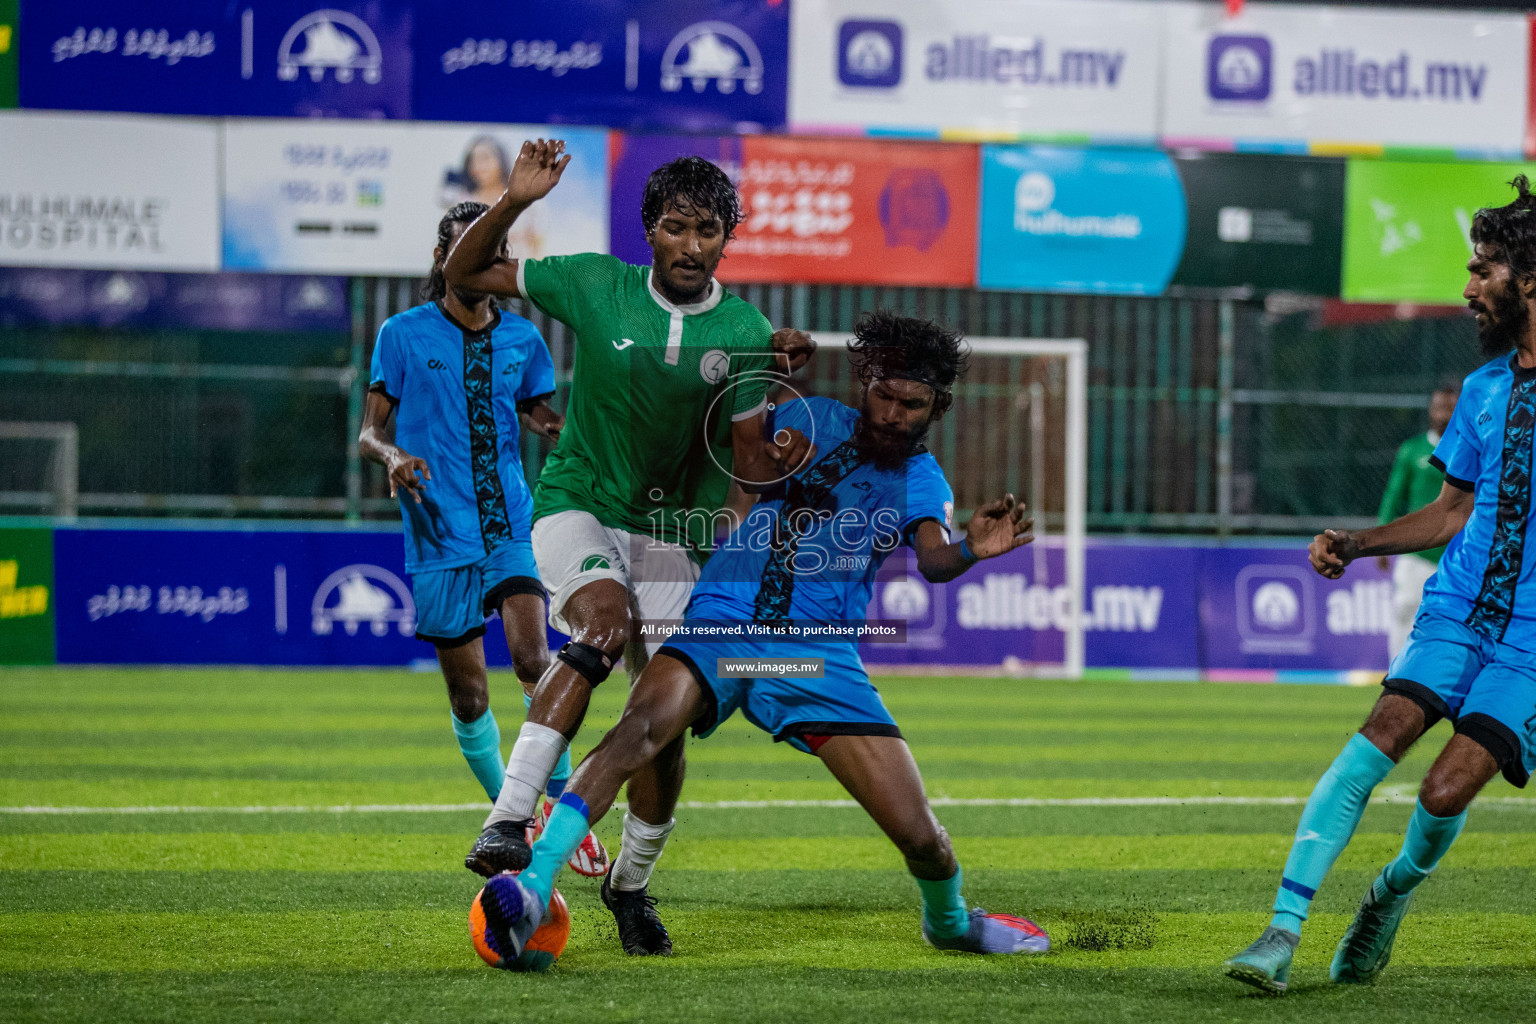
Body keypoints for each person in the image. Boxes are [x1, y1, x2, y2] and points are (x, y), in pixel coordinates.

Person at [468, 312, 1052, 965]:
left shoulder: (922, 481)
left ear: (935, 406)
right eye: (883, 394)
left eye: (910, 404)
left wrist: (974, 546)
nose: (892, 413)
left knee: (923, 840)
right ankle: (532, 883)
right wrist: (766, 398)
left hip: (815, 652)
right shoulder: (812, 417)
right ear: (865, 381)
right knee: (638, 731)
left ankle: (948, 923)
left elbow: (936, 560)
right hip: (727, 615)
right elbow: (741, 454)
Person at [443, 139, 814, 953]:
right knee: (601, 629)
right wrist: (513, 204)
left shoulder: (745, 328)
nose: (691, 244)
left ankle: (631, 887)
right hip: (578, 502)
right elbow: (465, 277)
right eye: (677, 227)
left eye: (708, 230)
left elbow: (746, 463)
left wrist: (783, 422)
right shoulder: (594, 284)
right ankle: (508, 821)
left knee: (662, 721)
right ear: (650, 229)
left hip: (673, 536)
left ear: (726, 238)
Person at [1224, 176, 1536, 994]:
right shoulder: (1482, 390)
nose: (1468, 289)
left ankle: (1387, 897)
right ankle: (1280, 932)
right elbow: (1448, 512)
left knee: (1443, 791)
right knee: (1379, 737)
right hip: (1460, 606)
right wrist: (1358, 542)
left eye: (1484, 271)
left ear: (1530, 278)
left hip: (1532, 641)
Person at [359, 201, 608, 878]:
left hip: (510, 527)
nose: (481, 259)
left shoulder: (524, 339)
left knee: (536, 662)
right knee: (470, 699)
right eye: (466, 247)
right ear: (443, 258)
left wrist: (565, 428)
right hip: (438, 532)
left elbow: (536, 414)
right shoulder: (402, 334)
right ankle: (513, 808)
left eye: (494, 248)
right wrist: (391, 458)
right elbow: (369, 430)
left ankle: (556, 810)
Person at [1377, 385, 1458, 658]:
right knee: (1405, 607)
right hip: (1418, 548)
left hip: (1456, 551)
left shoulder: (1468, 450)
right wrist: (1382, 537)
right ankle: (1396, 673)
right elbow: (1393, 495)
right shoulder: (1413, 450)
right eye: (1438, 407)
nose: (1442, 414)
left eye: (1449, 408)